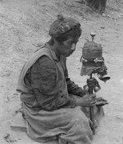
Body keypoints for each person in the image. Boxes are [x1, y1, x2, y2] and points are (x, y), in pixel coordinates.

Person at [16, 15, 103, 144]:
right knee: (80, 122)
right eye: (70, 43)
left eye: (76, 43)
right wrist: (79, 102)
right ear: (56, 41)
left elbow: (65, 82)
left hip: (52, 98)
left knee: (95, 104)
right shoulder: (44, 63)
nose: (73, 47)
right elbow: (47, 103)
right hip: (39, 110)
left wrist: (83, 94)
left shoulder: (60, 53)